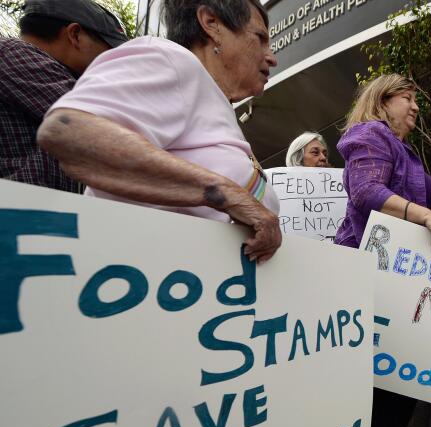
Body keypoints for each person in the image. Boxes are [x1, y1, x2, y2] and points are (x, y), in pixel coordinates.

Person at [38, 0, 281, 264]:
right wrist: (228, 195)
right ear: (211, 23)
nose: (271, 57)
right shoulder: (171, 59)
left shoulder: (215, 103)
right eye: (260, 38)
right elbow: (68, 130)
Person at [336, 73, 431, 427]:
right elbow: (365, 192)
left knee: (397, 382)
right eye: (407, 98)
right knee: (394, 386)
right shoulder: (368, 135)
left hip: (405, 282)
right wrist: (427, 214)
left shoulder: (404, 150)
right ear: (381, 100)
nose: (415, 107)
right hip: (375, 278)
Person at [1, 0, 127, 192]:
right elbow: (109, 122)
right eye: (111, 53)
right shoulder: (16, 55)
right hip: (17, 214)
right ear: (75, 35)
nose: (115, 66)